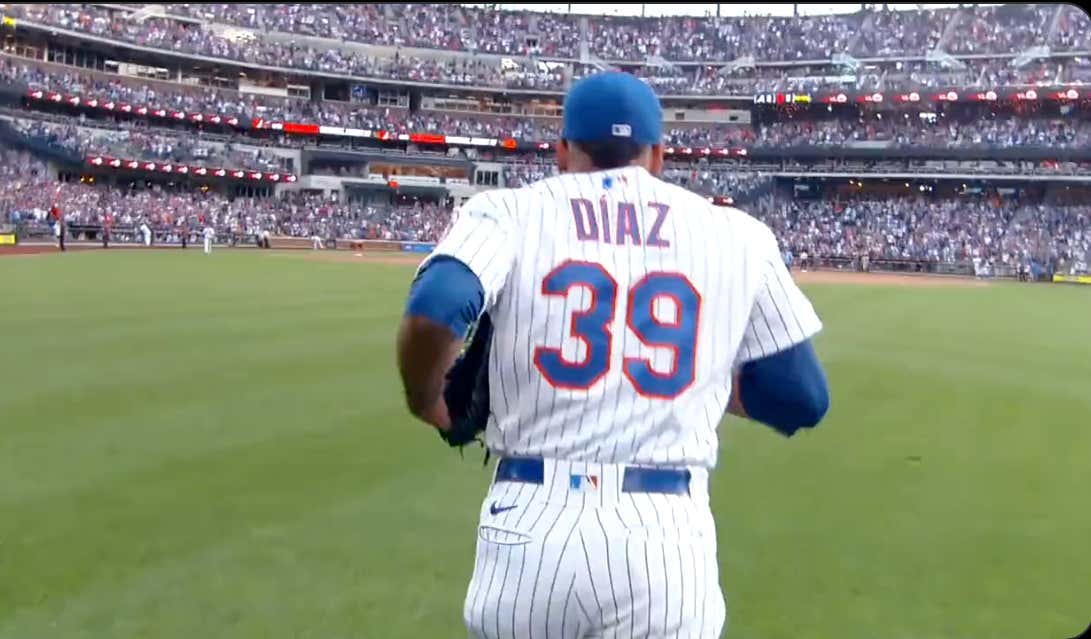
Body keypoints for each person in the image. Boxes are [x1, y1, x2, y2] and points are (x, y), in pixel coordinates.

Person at [396, 72, 829, 638]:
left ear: (562, 152)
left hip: (528, 523)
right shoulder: (737, 233)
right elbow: (801, 397)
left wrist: (424, 398)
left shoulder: (511, 212)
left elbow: (438, 303)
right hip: (665, 536)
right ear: (657, 156)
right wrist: (697, 380)